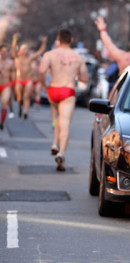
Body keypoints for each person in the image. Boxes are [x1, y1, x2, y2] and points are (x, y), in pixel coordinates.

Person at [39, 29, 89, 171]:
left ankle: (55, 143)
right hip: (67, 91)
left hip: (53, 89)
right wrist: (78, 75)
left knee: (56, 118)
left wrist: (43, 85)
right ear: (71, 40)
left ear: (58, 39)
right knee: (65, 122)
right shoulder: (77, 57)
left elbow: (42, 71)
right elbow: (84, 78)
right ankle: (61, 152)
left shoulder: (49, 55)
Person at [12, 33, 47, 119]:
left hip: (28, 80)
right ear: (21, 50)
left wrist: (44, 42)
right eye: (24, 49)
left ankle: (26, 112)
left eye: (27, 49)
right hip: (19, 80)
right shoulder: (17, 57)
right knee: (19, 97)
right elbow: (13, 48)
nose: (26, 50)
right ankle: (20, 105)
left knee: (27, 97)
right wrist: (15, 39)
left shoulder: (30, 58)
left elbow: (40, 52)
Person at [0, 44, 14, 130]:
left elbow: (13, 75)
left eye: (5, 51)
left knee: (4, 102)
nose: (4, 53)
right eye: (2, 51)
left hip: (6, 85)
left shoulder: (11, 62)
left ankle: (2, 122)